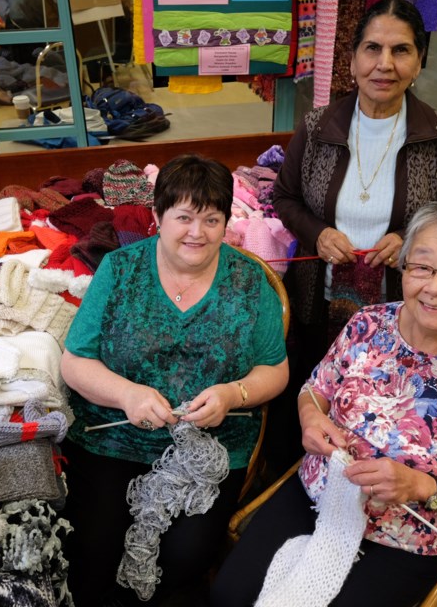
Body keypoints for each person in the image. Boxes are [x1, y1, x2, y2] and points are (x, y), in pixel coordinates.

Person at [211, 194, 437, 607]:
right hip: (321, 491)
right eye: (422, 267)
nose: (435, 287)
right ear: (404, 268)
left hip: (408, 537)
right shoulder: (368, 323)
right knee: (228, 596)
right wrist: (311, 421)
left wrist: (421, 486)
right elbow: (315, 389)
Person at [60, 154, 290, 605]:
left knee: (182, 558)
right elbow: (75, 361)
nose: (197, 233)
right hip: (113, 442)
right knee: (91, 550)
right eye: (183, 217)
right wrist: (127, 394)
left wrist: (232, 393)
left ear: (227, 222)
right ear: (157, 217)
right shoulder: (121, 270)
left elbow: (275, 370)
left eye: (212, 219)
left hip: (210, 449)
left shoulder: (247, 280)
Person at [268, 0, 437, 474]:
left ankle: (369, 483)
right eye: (372, 48)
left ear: (420, 60)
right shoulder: (319, 127)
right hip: (318, 297)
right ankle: (301, 479)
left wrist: (411, 240)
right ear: (353, 59)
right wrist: (317, 234)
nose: (385, 64)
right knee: (314, 391)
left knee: (386, 403)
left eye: (401, 50)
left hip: (400, 306)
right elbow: (283, 197)